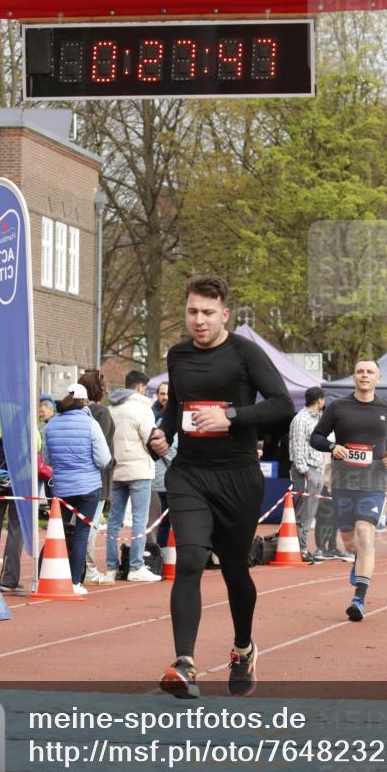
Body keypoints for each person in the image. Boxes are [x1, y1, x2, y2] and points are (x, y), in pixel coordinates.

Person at [150, 275, 294, 698]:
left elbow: (282, 405)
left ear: (224, 314)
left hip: (237, 476)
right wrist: (160, 435)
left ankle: (243, 648)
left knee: (234, 570)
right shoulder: (177, 355)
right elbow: (175, 412)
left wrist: (231, 416)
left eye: (208, 313)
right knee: (190, 560)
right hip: (189, 474)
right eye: (193, 311)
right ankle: (185, 664)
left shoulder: (246, 353)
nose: (199, 320)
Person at [310, 359, 387, 622]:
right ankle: (358, 560)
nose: (365, 375)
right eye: (360, 371)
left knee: (366, 534)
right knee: (351, 542)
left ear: (378, 378)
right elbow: (316, 437)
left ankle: (359, 598)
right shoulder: (338, 407)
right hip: (343, 482)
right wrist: (332, 448)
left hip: (373, 483)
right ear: (354, 376)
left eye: (370, 372)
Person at [43, 384, 112, 594]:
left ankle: (43, 575)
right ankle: (74, 582)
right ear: (84, 402)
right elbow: (104, 459)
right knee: (82, 533)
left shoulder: (51, 425)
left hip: (62, 487)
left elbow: (47, 459)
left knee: (57, 532)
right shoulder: (91, 424)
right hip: (88, 487)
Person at [0, 401, 41, 595]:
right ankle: (8, 577)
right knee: (16, 526)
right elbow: (36, 444)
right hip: (20, 477)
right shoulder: (25, 412)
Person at [106, 370, 161, 583]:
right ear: (140, 387)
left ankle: (111, 566)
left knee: (114, 520)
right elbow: (151, 438)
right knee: (140, 518)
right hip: (139, 470)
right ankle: (136, 566)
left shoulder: (112, 408)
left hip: (116, 469)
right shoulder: (142, 409)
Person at [77, 369, 116, 586]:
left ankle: (80, 567)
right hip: (97, 477)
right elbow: (104, 450)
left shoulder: (71, 412)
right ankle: (89, 570)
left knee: (77, 524)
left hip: (72, 476)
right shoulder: (101, 413)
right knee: (89, 526)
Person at [289, 386, 326, 563]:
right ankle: (300, 548)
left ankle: (302, 546)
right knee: (303, 510)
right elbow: (297, 448)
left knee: (310, 512)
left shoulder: (318, 418)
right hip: (306, 470)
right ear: (319, 400)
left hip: (316, 468)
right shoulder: (301, 420)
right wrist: (305, 472)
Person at [151, 381, 177, 550]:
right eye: (162, 394)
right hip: (163, 476)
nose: (165, 397)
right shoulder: (155, 416)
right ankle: (160, 555)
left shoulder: (170, 414)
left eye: (168, 394)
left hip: (165, 474)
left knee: (165, 520)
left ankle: (161, 554)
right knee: (164, 520)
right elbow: (167, 449)